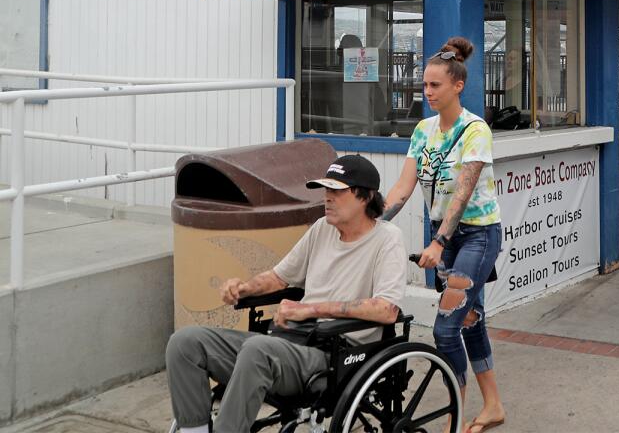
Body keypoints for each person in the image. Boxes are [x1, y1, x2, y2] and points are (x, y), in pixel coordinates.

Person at [166, 154, 407, 433]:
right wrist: (244, 287)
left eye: (337, 191)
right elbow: (280, 276)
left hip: (334, 354)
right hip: (290, 340)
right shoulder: (321, 229)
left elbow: (386, 310)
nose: (327, 198)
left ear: (365, 197)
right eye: (326, 190)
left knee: (258, 350)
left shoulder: (387, 239)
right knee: (185, 343)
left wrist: (310, 309)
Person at [384, 36, 505, 433]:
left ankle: (455, 413)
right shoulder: (422, 131)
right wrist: (371, 224)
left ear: (457, 86)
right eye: (424, 85)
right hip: (444, 236)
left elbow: (463, 193)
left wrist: (438, 243)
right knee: (470, 318)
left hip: (476, 236)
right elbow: (403, 188)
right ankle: (493, 406)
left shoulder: (476, 130)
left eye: (435, 85)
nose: (427, 92)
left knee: (445, 327)